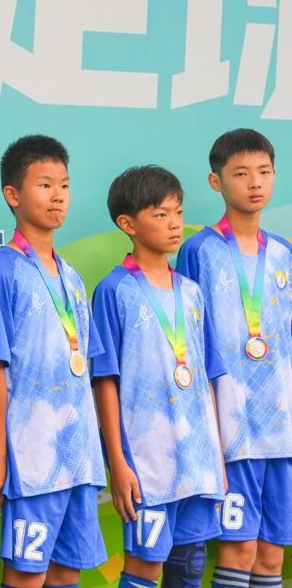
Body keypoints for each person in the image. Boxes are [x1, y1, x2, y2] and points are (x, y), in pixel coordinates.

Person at [91, 165, 225, 588]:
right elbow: (105, 380)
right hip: (146, 462)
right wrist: (117, 462)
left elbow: (204, 378)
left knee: (190, 565)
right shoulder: (115, 290)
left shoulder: (192, 292)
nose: (174, 223)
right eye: (161, 214)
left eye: (178, 212)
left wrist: (216, 456)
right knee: (145, 567)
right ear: (127, 224)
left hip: (197, 460)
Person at [0, 135, 107, 588]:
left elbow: (86, 368)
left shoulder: (72, 278)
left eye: (64, 185)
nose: (58, 196)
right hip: (32, 453)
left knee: (67, 572)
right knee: (27, 574)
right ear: (12, 194)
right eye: (44, 185)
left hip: (78, 454)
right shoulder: (2, 269)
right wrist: (0, 455)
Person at [176, 129, 292, 588]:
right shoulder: (200, 250)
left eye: (264, 172)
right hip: (231, 428)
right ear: (216, 181)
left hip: (281, 430)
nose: (255, 183)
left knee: (272, 555)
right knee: (238, 549)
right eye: (241, 174)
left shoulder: (283, 253)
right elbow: (187, 339)